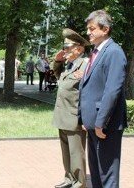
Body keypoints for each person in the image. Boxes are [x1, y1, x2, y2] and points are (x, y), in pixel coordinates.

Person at [79, 10, 127, 188]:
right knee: (97, 174)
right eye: (88, 29)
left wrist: (100, 122)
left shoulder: (114, 52)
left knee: (107, 175)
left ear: (105, 29)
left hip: (106, 126)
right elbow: (89, 87)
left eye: (92, 29)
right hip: (93, 124)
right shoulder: (96, 52)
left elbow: (112, 91)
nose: (88, 32)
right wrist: (85, 118)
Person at [52, 29, 89, 188]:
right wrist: (58, 61)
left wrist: (86, 118)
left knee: (76, 153)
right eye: (64, 47)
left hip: (75, 118)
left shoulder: (86, 64)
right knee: (66, 152)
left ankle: (79, 183)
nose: (64, 50)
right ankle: (69, 179)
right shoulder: (69, 65)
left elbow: (89, 93)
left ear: (79, 49)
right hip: (63, 116)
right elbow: (57, 75)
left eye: (67, 47)